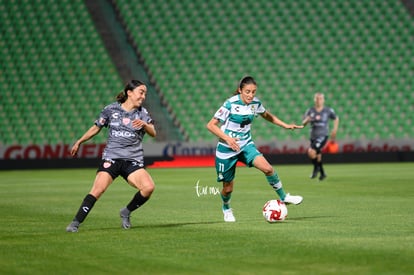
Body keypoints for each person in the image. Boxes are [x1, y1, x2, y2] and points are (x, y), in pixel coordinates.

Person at [206, 76, 304, 222]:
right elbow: (211, 125)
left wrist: (285, 125)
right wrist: (228, 138)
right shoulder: (230, 104)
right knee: (228, 189)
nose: (251, 95)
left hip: (245, 145)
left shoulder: (255, 103)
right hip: (227, 149)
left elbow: (266, 115)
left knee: (268, 169)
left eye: (253, 92)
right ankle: (226, 208)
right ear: (240, 90)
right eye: (247, 92)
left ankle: (284, 197)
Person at [66, 80, 156, 232]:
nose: (143, 96)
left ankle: (126, 211)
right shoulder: (110, 109)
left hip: (132, 160)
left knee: (148, 188)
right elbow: (96, 128)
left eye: (145, 93)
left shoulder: (143, 113)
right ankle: (75, 223)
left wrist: (145, 125)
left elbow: (153, 133)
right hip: (112, 158)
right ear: (129, 92)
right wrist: (80, 141)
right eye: (141, 92)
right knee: (97, 190)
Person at [302, 92, 339, 181]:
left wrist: (334, 129)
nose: (318, 100)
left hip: (323, 135)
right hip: (313, 135)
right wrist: (307, 120)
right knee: (318, 155)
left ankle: (316, 169)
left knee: (311, 152)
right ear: (314, 100)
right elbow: (303, 123)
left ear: (323, 100)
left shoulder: (328, 110)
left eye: (320, 98)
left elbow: (336, 118)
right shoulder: (310, 110)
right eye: (317, 98)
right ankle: (322, 173)